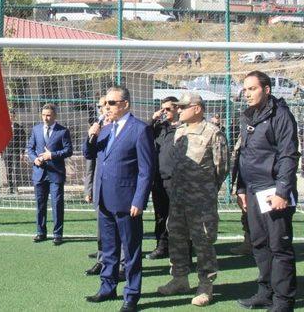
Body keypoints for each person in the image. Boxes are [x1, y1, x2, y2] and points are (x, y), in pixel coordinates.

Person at [84, 86, 154, 312]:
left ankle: (131, 295)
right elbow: (89, 154)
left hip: (126, 200)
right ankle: (107, 286)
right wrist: (91, 135)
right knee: (109, 248)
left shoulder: (140, 130)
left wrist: (139, 200)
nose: (106, 107)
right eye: (105, 103)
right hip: (104, 198)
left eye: (111, 103)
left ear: (125, 104)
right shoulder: (104, 129)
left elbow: (146, 169)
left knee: (131, 251)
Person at [157, 92, 229, 307]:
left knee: (203, 242)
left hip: (201, 201)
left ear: (197, 108)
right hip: (178, 198)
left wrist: (205, 190)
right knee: (177, 238)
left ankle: (205, 285)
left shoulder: (213, 133)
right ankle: (179, 279)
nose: (178, 110)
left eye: (183, 106)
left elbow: (221, 169)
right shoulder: (179, 132)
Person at [235, 71, 299, 312]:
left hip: (273, 191)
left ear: (267, 89)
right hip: (252, 191)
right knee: (260, 244)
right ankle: (266, 292)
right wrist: (241, 187)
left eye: (252, 88)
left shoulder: (281, 115)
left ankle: (284, 302)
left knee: (279, 247)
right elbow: (244, 154)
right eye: (245, 89)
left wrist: (282, 192)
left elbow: (288, 155)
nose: (247, 93)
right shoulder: (248, 116)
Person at [83, 96, 125, 280]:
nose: (104, 108)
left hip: (118, 189)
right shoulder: (98, 127)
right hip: (100, 188)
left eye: (108, 104)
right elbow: (90, 163)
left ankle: (123, 265)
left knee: (121, 230)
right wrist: (89, 189)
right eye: (102, 106)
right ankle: (102, 261)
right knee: (103, 229)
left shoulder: (123, 128)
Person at [27, 103, 72, 246]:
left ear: (55, 116)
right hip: (39, 173)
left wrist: (51, 155)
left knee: (57, 204)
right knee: (40, 204)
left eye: (48, 115)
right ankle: (41, 232)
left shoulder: (63, 131)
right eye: (43, 115)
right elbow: (30, 148)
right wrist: (36, 159)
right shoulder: (36, 129)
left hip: (56, 174)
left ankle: (57, 234)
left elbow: (68, 150)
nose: (45, 118)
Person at [147, 96, 180, 260]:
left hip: (176, 180)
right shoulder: (159, 127)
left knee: (177, 217)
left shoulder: (183, 128)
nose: (164, 112)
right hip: (159, 179)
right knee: (160, 215)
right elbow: (144, 134)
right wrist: (153, 119)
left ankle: (180, 249)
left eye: (168, 109)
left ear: (176, 108)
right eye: (163, 109)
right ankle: (161, 246)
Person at [3, 109, 27, 194]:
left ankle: (16, 187)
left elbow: (23, 140)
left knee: (16, 169)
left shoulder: (19, 127)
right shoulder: (3, 126)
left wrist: (22, 152)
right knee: (8, 170)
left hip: (15, 151)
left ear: (14, 117)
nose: (11, 117)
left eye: (12, 116)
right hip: (6, 151)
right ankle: (10, 187)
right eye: (9, 116)